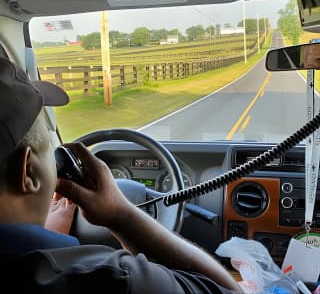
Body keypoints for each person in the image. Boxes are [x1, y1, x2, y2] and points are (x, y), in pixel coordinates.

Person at [0, 57, 240, 293]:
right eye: (52, 154)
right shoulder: (113, 278)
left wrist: (44, 237)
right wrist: (121, 215)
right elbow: (227, 290)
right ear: (29, 172)